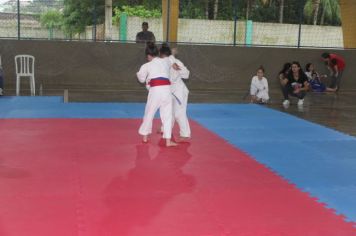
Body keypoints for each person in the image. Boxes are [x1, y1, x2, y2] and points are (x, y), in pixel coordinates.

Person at [136, 42, 177, 147]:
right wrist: (172, 52)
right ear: (158, 53)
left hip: (155, 91)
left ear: (148, 56)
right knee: (167, 115)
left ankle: (145, 136)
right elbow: (170, 59)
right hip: (167, 90)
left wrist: (146, 80)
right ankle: (168, 141)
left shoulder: (147, 65)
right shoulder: (166, 61)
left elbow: (141, 79)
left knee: (149, 113)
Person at [159, 44, 191, 141]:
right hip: (169, 90)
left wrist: (178, 69)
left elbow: (187, 75)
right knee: (169, 111)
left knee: (179, 113)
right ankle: (165, 128)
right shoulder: (162, 63)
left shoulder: (177, 62)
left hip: (179, 91)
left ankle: (185, 134)